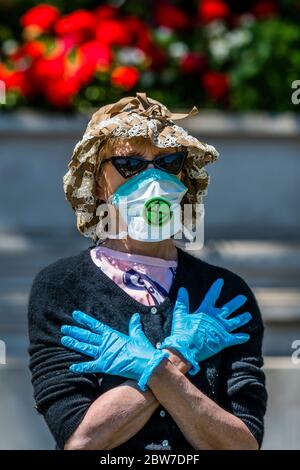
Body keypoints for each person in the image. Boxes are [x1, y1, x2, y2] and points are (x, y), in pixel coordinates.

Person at [27, 92, 267, 451]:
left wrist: (153, 369)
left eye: (168, 162)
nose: (152, 180)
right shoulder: (61, 288)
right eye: (130, 164)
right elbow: (83, 441)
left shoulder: (225, 294)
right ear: (97, 183)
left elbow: (242, 446)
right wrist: (176, 360)